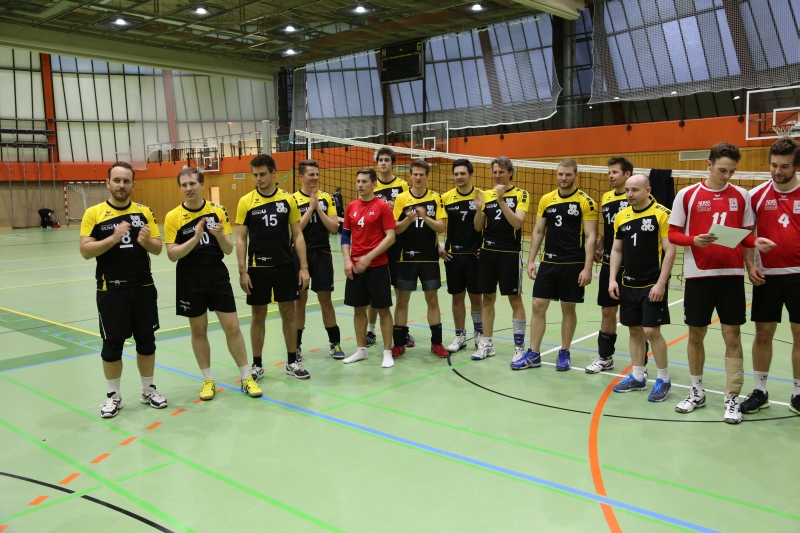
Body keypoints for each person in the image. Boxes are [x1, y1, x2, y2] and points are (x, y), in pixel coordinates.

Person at [669, 142, 774, 424]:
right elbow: (673, 234)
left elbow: (744, 235)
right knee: (695, 335)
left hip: (731, 277)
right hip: (698, 276)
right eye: (722, 170)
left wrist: (756, 242)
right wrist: (694, 240)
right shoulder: (687, 195)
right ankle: (697, 391)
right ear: (709, 164)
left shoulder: (741, 196)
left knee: (732, 337)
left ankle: (732, 397)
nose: (727, 175)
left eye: (732, 171)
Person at [164, 167, 262, 401]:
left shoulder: (218, 211)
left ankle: (246, 377)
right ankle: (208, 379)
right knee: (199, 330)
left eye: (192, 184)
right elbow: (172, 254)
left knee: (232, 327)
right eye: (184, 185)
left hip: (217, 276)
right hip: (190, 279)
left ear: (201, 184)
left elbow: (228, 249)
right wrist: (195, 239)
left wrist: (219, 236)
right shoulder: (173, 216)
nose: (188, 188)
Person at [79, 161, 167, 419]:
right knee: (112, 345)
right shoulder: (94, 213)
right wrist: (113, 238)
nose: (121, 185)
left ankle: (148, 390)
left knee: (147, 342)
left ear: (133, 184)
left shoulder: (144, 212)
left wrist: (146, 241)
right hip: (111, 291)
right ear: (108, 183)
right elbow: (85, 251)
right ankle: (113, 396)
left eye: (126, 181)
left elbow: (158, 248)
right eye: (117, 180)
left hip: (143, 288)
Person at [518, 159, 597, 371]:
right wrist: (531, 260)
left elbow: (591, 236)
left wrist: (587, 267)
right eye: (560, 174)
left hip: (573, 263)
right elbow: (538, 231)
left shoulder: (586, 202)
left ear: (576, 175)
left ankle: (564, 352)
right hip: (549, 262)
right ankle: (533, 353)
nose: (563, 178)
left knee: (568, 307)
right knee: (537, 305)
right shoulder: (547, 199)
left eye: (568, 174)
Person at [236, 154, 311, 381]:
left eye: (262, 174)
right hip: (257, 267)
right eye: (255, 175)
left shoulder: (288, 200)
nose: (258, 179)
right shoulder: (246, 201)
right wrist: (242, 271)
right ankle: (257, 365)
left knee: (288, 313)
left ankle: (292, 361)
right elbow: (241, 239)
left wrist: (304, 267)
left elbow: (298, 235)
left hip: (284, 266)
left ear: (273, 173)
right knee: (258, 315)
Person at [741, 138, 800, 416]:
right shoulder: (756, 195)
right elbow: (746, 234)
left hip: (799, 276)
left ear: (796, 166)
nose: (777, 171)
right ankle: (760, 391)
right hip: (767, 276)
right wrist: (749, 265)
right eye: (774, 165)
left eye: (784, 166)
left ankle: (798, 393)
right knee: (763, 334)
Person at [608, 175, 677, 402]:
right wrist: (612, 279)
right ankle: (638, 376)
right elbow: (617, 250)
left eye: (635, 190)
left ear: (648, 190)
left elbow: (670, 250)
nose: (629, 194)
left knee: (651, 331)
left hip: (652, 284)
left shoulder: (662, 214)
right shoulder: (622, 216)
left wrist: (661, 283)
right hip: (628, 283)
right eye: (627, 190)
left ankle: (664, 379)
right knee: (634, 330)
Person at [587, 157, 650, 374]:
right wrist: (600, 244)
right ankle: (605, 357)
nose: (610, 176)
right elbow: (609, 228)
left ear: (627, 174)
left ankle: (641, 365)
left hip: (634, 267)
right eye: (609, 173)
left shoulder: (640, 197)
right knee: (607, 311)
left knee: (637, 319)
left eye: (614, 172)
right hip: (609, 263)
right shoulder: (606, 197)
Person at [472, 156, 529, 361]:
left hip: (510, 254)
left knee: (515, 299)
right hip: (488, 252)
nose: (497, 175)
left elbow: (517, 223)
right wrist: (479, 208)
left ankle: (519, 347)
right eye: (495, 172)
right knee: (487, 298)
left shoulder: (521, 194)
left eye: (501, 172)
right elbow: (478, 227)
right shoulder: (486, 195)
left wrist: (501, 200)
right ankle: (486, 344)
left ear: (510, 173)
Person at [391, 160, 448, 358]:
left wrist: (425, 217)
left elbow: (441, 227)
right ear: (410, 176)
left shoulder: (435, 198)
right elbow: (395, 229)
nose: (417, 177)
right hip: (405, 258)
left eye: (421, 174)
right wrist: (408, 220)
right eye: (414, 174)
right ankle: (399, 344)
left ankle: (437, 343)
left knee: (432, 300)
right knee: (402, 301)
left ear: (427, 176)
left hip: (429, 258)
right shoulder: (401, 198)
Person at [341, 168, 397, 367]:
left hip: (378, 266)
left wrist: (368, 257)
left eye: (364, 181)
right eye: (358, 181)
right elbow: (345, 235)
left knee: (383, 310)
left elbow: (391, 237)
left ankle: (387, 353)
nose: (360, 185)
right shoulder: (351, 207)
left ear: (374, 184)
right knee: (358, 309)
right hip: (356, 267)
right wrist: (347, 260)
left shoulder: (383, 207)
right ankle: (361, 350)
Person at [292, 160, 344, 360]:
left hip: (322, 253)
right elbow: (295, 230)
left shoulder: (327, 198)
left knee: (326, 300)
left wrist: (318, 208)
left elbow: (334, 228)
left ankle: (335, 343)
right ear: (301, 177)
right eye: (310, 174)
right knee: (299, 301)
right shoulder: (293, 199)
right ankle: (296, 346)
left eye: (316, 174)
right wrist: (310, 208)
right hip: (300, 254)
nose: (315, 178)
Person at [366, 147, 410, 348]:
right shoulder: (371, 185)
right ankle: (370, 330)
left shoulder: (402, 185)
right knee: (375, 292)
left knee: (401, 289)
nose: (383, 163)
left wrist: (396, 207)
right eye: (380, 160)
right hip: (377, 242)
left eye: (387, 160)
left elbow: (409, 210)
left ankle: (402, 330)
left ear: (393, 163)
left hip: (398, 242)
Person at [440, 159, 484, 352]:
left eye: (462, 173)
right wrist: (438, 247)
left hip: (475, 256)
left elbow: (486, 226)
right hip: (453, 256)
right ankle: (460, 336)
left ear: (471, 175)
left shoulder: (481, 196)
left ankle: (479, 335)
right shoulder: (446, 198)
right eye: (456, 174)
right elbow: (436, 224)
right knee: (457, 297)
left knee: (476, 298)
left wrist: (485, 247)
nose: (458, 177)